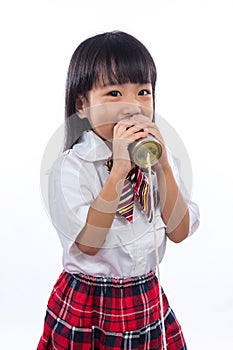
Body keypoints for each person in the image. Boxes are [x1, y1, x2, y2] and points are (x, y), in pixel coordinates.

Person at [37, 30, 200, 350]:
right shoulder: (71, 168)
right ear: (82, 105)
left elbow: (179, 232)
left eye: (142, 92)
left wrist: (164, 167)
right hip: (90, 303)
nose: (133, 107)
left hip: (145, 296)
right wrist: (119, 171)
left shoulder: (157, 165)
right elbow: (88, 244)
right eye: (114, 93)